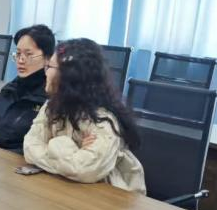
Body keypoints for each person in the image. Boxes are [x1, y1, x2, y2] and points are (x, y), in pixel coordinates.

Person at [22, 38, 145, 192]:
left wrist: (55, 144)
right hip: (68, 189)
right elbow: (29, 148)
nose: (45, 72)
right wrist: (72, 152)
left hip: (108, 197)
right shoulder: (52, 107)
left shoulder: (103, 121)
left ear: (69, 76)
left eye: (50, 67)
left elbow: (82, 170)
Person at [0, 24, 53, 152]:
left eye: (28, 54)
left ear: (47, 58)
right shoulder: (9, 90)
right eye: (18, 54)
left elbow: (42, 147)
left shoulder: (49, 99)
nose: (21, 60)